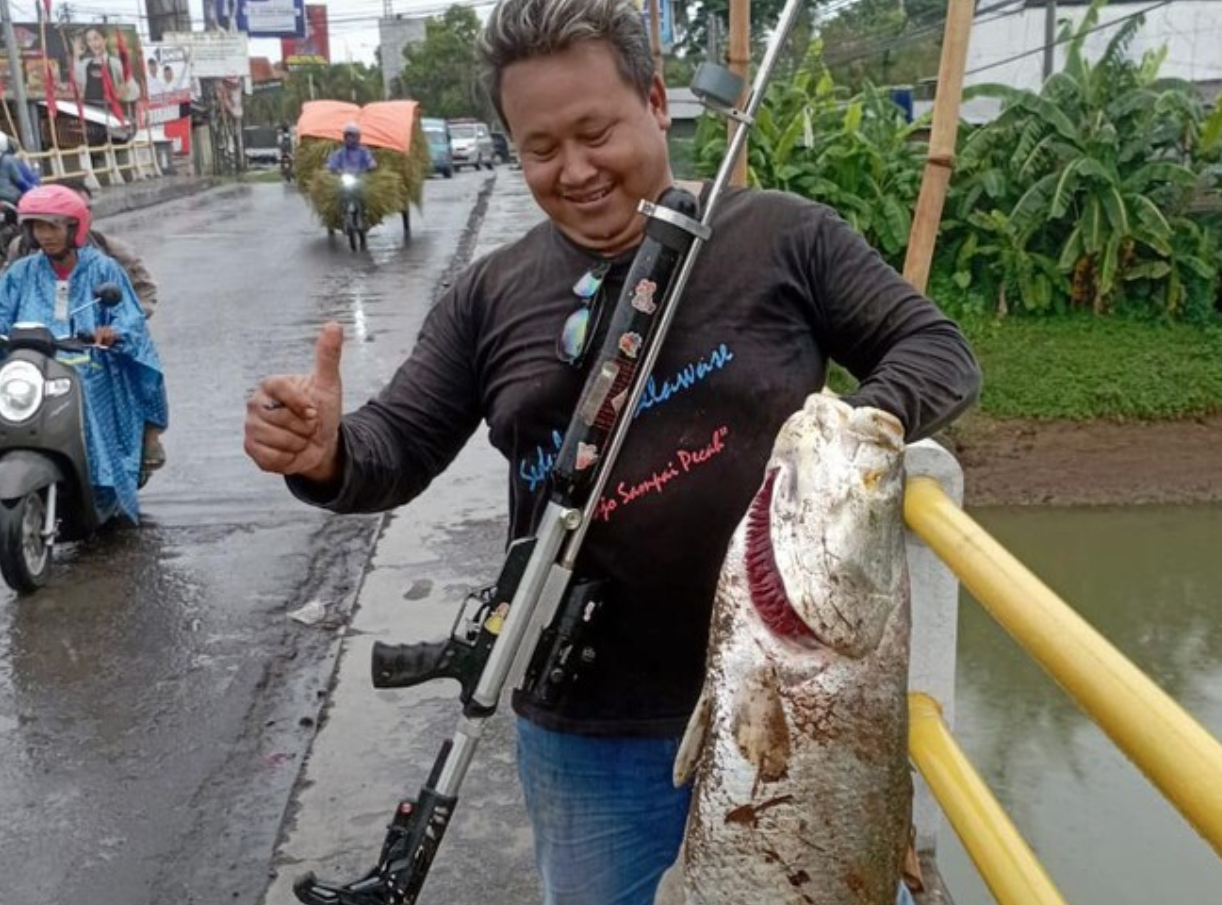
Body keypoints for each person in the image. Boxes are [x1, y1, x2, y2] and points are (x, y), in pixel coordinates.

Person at [243, 1, 982, 903]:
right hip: (594, 737)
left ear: (658, 102)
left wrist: (846, 443)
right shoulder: (491, 294)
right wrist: (321, 452)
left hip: (803, 711)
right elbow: (391, 447)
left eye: (596, 131)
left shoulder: (785, 239)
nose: (576, 170)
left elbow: (939, 356)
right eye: (540, 148)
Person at [0, 185, 167, 521]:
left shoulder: (104, 268)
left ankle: (107, 478)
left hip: (90, 361)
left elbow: (130, 317)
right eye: (37, 227)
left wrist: (113, 332)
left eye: (53, 226)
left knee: (94, 385)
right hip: (29, 361)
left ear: (74, 228)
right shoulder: (20, 272)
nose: (44, 235)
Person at [73, 26, 127, 108]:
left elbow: (126, 85)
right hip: (90, 110)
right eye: (89, 40)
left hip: (111, 110)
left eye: (96, 38)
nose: (93, 44)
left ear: (105, 40)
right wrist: (76, 55)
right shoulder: (85, 63)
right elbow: (77, 82)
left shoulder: (115, 63)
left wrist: (117, 97)